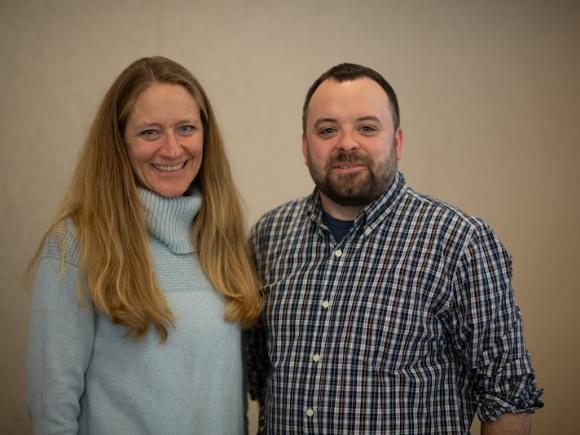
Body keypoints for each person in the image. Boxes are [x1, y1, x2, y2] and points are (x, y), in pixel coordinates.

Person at [246, 63, 543, 434]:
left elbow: (507, 398)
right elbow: (259, 379)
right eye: (327, 130)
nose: (347, 144)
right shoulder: (268, 237)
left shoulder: (460, 242)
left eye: (367, 128)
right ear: (305, 147)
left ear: (397, 142)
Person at [27, 56, 261, 435]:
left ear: (206, 135)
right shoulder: (77, 243)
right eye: (149, 132)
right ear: (118, 143)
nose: (172, 150)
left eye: (186, 128)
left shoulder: (223, 239)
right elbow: (52, 408)